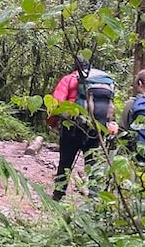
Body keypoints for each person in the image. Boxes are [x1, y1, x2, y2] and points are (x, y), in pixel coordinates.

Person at [48, 55, 117, 201]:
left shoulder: (69, 79)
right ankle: (94, 199)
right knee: (92, 163)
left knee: (66, 162)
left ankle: (58, 196)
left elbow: (56, 103)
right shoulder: (102, 81)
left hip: (72, 128)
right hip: (96, 128)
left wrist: (52, 123)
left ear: (74, 66)